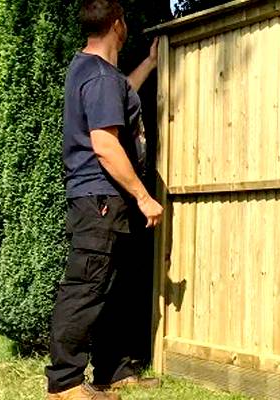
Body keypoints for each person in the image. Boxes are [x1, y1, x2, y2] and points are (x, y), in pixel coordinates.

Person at [45, 0, 164, 398]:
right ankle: (64, 383)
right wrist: (144, 197)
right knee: (85, 286)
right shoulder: (98, 77)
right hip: (99, 196)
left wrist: (148, 64)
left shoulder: (100, 75)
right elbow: (105, 146)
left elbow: (121, 93)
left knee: (109, 286)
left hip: (102, 199)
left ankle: (113, 371)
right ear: (118, 24)